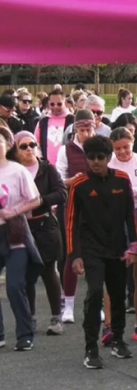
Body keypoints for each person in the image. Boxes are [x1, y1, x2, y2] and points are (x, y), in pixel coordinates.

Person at [68, 135, 137, 369]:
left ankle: (118, 339)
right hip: (91, 249)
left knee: (118, 295)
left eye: (100, 157)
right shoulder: (79, 185)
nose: (95, 162)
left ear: (109, 158)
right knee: (95, 292)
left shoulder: (121, 179)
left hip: (117, 249)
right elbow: (71, 223)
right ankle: (91, 348)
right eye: (91, 158)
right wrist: (74, 255)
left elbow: (131, 214)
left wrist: (134, 245)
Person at [10, 131, 66, 337]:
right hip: (21, 227)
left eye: (32, 145)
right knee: (27, 275)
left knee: (49, 271)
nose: (29, 149)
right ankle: (30, 316)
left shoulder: (47, 169)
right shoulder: (12, 170)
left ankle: (56, 317)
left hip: (45, 226)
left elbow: (61, 193)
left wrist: (39, 201)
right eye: (23, 146)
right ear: (15, 150)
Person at [107, 128, 137, 342]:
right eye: (118, 149)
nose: (123, 152)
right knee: (113, 273)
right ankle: (109, 326)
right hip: (118, 218)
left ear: (132, 143)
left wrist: (131, 191)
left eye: (126, 147)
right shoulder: (108, 165)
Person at [0, 131, 42, 351]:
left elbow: (35, 199)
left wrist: (14, 210)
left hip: (14, 232)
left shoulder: (17, 171)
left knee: (15, 286)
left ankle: (25, 334)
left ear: (7, 145)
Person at [55, 110, 96, 324]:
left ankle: (95, 302)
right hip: (73, 206)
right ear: (75, 130)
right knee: (72, 253)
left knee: (96, 254)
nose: (86, 133)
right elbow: (59, 179)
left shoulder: (100, 147)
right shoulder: (66, 150)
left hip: (97, 206)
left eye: (89, 129)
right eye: (82, 129)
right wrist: (73, 180)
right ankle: (68, 305)